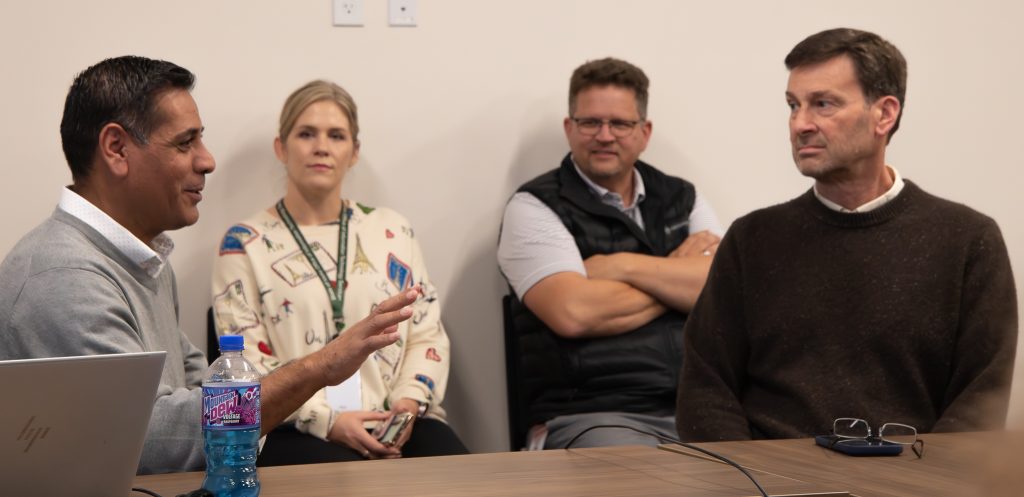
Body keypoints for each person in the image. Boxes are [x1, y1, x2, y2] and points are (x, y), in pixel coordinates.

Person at [0, 56, 417, 475]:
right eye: (185, 143)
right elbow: (154, 441)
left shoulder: (144, 259)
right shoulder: (63, 278)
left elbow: (202, 380)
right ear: (116, 149)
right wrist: (319, 368)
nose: (207, 160)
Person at [676, 28, 1018, 442]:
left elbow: (980, 403)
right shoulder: (751, 239)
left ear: (884, 114)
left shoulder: (968, 241)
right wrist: (745, 480)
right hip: (768, 482)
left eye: (823, 104)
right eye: (792, 105)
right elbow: (705, 388)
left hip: (912, 482)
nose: (800, 124)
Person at [211, 80, 467, 465]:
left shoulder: (392, 231)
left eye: (336, 135)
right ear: (281, 147)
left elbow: (426, 333)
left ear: (354, 151)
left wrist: (406, 407)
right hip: (292, 427)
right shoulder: (244, 243)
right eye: (306, 134)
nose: (321, 147)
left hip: (397, 419)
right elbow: (245, 363)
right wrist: (327, 421)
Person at [498, 57, 723, 449]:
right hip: (591, 415)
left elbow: (721, 291)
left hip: (700, 407)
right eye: (590, 123)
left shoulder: (683, 198)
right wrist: (676, 278)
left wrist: (620, 266)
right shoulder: (534, 207)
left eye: (620, 123)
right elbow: (575, 314)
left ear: (644, 131)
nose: (605, 135)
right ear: (569, 128)